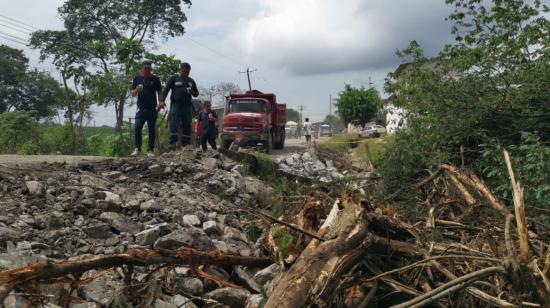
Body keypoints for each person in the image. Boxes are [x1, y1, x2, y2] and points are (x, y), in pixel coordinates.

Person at [159, 62, 199, 150]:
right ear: (180, 70)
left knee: (187, 125)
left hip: (187, 107)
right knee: (174, 124)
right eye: (184, 72)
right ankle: (172, 144)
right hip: (176, 106)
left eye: (188, 72)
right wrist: (161, 101)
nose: (186, 74)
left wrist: (192, 92)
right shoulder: (173, 78)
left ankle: (186, 144)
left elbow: (196, 93)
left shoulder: (191, 81)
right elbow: (165, 90)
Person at [130, 61, 162, 157]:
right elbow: (132, 93)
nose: (147, 71)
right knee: (137, 127)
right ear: (142, 69)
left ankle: (150, 150)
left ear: (151, 69)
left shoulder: (155, 79)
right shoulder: (137, 79)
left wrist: (161, 102)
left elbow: (159, 91)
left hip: (152, 109)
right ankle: (137, 149)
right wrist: (136, 90)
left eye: (149, 69)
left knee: (152, 129)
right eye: (145, 69)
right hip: (141, 109)